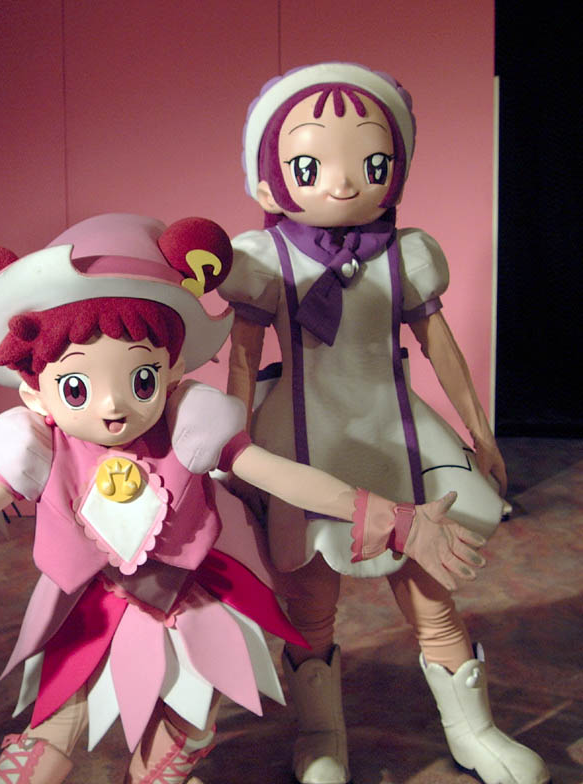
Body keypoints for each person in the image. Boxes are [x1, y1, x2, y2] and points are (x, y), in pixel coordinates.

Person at [0, 213, 485, 784]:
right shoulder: (37, 444)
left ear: (169, 370)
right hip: (88, 604)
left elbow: (281, 474)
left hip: (192, 605)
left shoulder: (192, 425)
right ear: (34, 389)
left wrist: (391, 517)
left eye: (139, 380)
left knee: (176, 745)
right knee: (50, 737)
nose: (112, 407)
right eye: (77, 386)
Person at [220, 62, 548, 784]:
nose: (343, 184)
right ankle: (321, 735)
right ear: (269, 182)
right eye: (311, 165)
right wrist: (233, 446)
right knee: (311, 600)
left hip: (399, 437)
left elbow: (441, 348)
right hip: (304, 444)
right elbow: (242, 358)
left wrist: (481, 434)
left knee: (432, 588)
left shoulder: (408, 254)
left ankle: (475, 731)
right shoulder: (262, 260)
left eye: (371, 163)